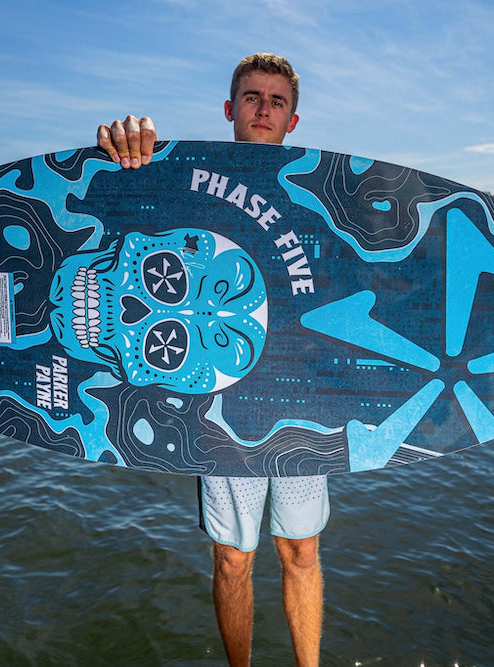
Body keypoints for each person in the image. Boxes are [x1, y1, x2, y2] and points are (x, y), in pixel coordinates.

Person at [96, 53, 327, 667]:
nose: (263, 109)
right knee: (233, 556)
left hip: (301, 401)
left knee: (301, 551)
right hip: (222, 407)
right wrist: (129, 153)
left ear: (293, 120)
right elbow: (125, 211)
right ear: (229, 109)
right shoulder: (191, 187)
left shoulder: (319, 196)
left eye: (277, 101)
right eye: (252, 97)